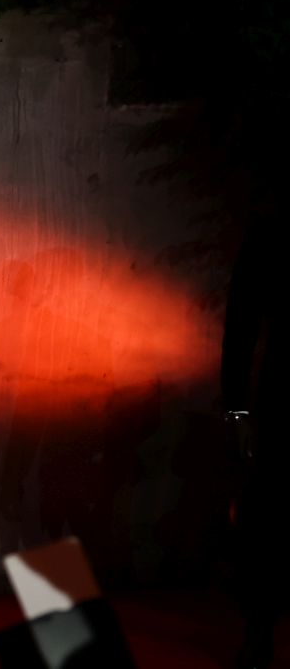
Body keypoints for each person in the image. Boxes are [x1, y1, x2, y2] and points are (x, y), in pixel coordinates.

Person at [222, 204, 290, 669]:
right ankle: (259, 630)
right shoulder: (271, 234)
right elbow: (241, 328)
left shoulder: (270, 233)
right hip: (282, 399)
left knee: (267, 517)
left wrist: (237, 411)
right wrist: (237, 411)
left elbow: (240, 329)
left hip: (279, 395)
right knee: (267, 517)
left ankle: (258, 632)